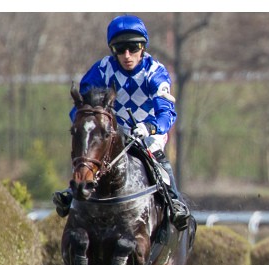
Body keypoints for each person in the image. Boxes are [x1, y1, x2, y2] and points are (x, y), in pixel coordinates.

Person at [53, 14, 190, 230]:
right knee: (91, 154)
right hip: (114, 132)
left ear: (142, 48)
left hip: (147, 132)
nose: (127, 55)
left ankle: (174, 202)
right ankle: (73, 192)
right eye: (120, 49)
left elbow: (167, 112)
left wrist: (151, 127)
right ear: (112, 50)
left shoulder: (155, 72)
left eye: (133, 48)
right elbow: (80, 106)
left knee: (157, 157)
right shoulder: (102, 70)